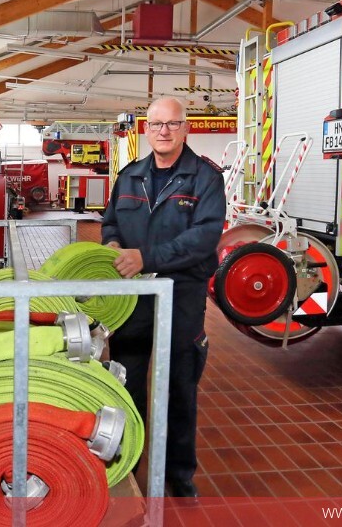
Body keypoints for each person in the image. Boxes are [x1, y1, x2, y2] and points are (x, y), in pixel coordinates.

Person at [101, 96, 225, 497]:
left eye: (172, 124)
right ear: (146, 130)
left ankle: (179, 472)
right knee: (127, 383)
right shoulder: (129, 175)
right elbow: (110, 222)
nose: (164, 131)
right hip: (134, 297)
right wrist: (113, 244)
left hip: (180, 294)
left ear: (186, 128)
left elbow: (204, 237)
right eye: (156, 124)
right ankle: (127, 464)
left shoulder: (205, 178)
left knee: (179, 385)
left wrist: (147, 257)